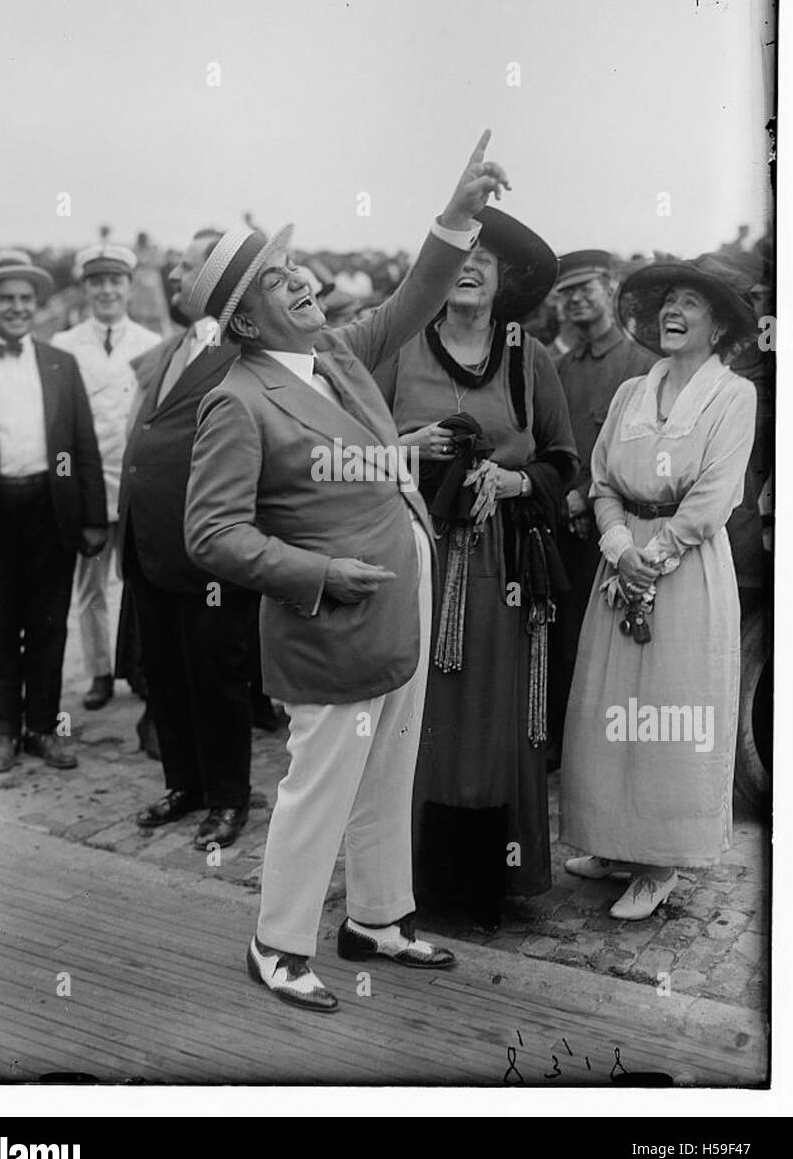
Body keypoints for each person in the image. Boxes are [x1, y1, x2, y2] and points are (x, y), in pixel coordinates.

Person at [184, 130, 508, 1012]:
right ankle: (278, 944)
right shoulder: (238, 401)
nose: (302, 279)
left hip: (399, 600)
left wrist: (457, 215)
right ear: (247, 322)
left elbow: (414, 298)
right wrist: (321, 572)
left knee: (390, 768)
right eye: (279, 280)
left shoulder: (334, 352)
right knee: (319, 785)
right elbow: (210, 535)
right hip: (329, 621)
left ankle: (377, 919)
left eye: (295, 267)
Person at [377, 209, 577, 928]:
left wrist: (518, 483)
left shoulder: (530, 359)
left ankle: (488, 886)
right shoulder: (399, 351)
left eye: (486, 260)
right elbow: (346, 454)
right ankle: (408, 883)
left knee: (492, 716)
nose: (470, 266)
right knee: (417, 715)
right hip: (415, 552)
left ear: (505, 282)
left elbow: (565, 466)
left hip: (503, 566)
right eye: (460, 253)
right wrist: (407, 446)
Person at [560, 261, 758, 920]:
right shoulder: (630, 395)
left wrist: (655, 556)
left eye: (692, 304)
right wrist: (619, 549)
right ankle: (615, 844)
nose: (675, 312)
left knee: (670, 711)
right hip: (622, 567)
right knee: (610, 709)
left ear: (721, 325)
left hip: (686, 571)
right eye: (670, 301)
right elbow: (604, 484)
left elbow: (711, 499)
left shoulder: (733, 397)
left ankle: (660, 862)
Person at [117, 230, 260, 851]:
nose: (173, 272)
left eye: (186, 262)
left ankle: (229, 799)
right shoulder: (172, 348)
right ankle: (185, 785)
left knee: (216, 677)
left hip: (207, 551)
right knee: (168, 674)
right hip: (149, 545)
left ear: (219, 278)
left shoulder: (242, 355)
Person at [0, 250, 107, 773]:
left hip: (50, 509)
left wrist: (90, 516)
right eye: (6, 299)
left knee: (47, 627)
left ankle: (42, 728)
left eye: (25, 299)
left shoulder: (60, 363)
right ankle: (4, 733)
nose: (18, 308)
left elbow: (83, 445)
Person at [549, 251, 654, 767]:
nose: (575, 299)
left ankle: (617, 752)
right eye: (566, 292)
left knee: (619, 638)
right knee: (566, 635)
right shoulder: (559, 367)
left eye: (585, 287)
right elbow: (550, 444)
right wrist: (563, 496)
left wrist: (587, 492)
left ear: (610, 286)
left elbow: (639, 447)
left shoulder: (643, 365)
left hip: (620, 528)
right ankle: (571, 748)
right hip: (564, 528)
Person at [52, 244, 161, 710]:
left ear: (129, 287)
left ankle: (139, 669)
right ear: (85, 288)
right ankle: (99, 672)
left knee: (140, 585)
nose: (106, 290)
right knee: (91, 586)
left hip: (135, 488)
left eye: (115, 281)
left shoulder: (152, 345)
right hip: (90, 491)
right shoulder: (64, 345)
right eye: (96, 282)